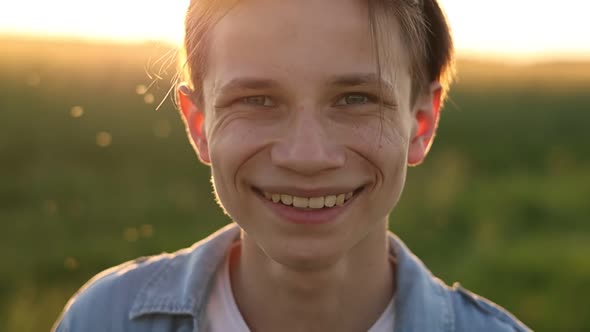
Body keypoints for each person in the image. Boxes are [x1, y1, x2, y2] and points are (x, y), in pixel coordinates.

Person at [53, 0, 531, 331]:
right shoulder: (103, 319)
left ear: (421, 123)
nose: (307, 155)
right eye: (257, 99)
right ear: (199, 124)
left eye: (355, 99)